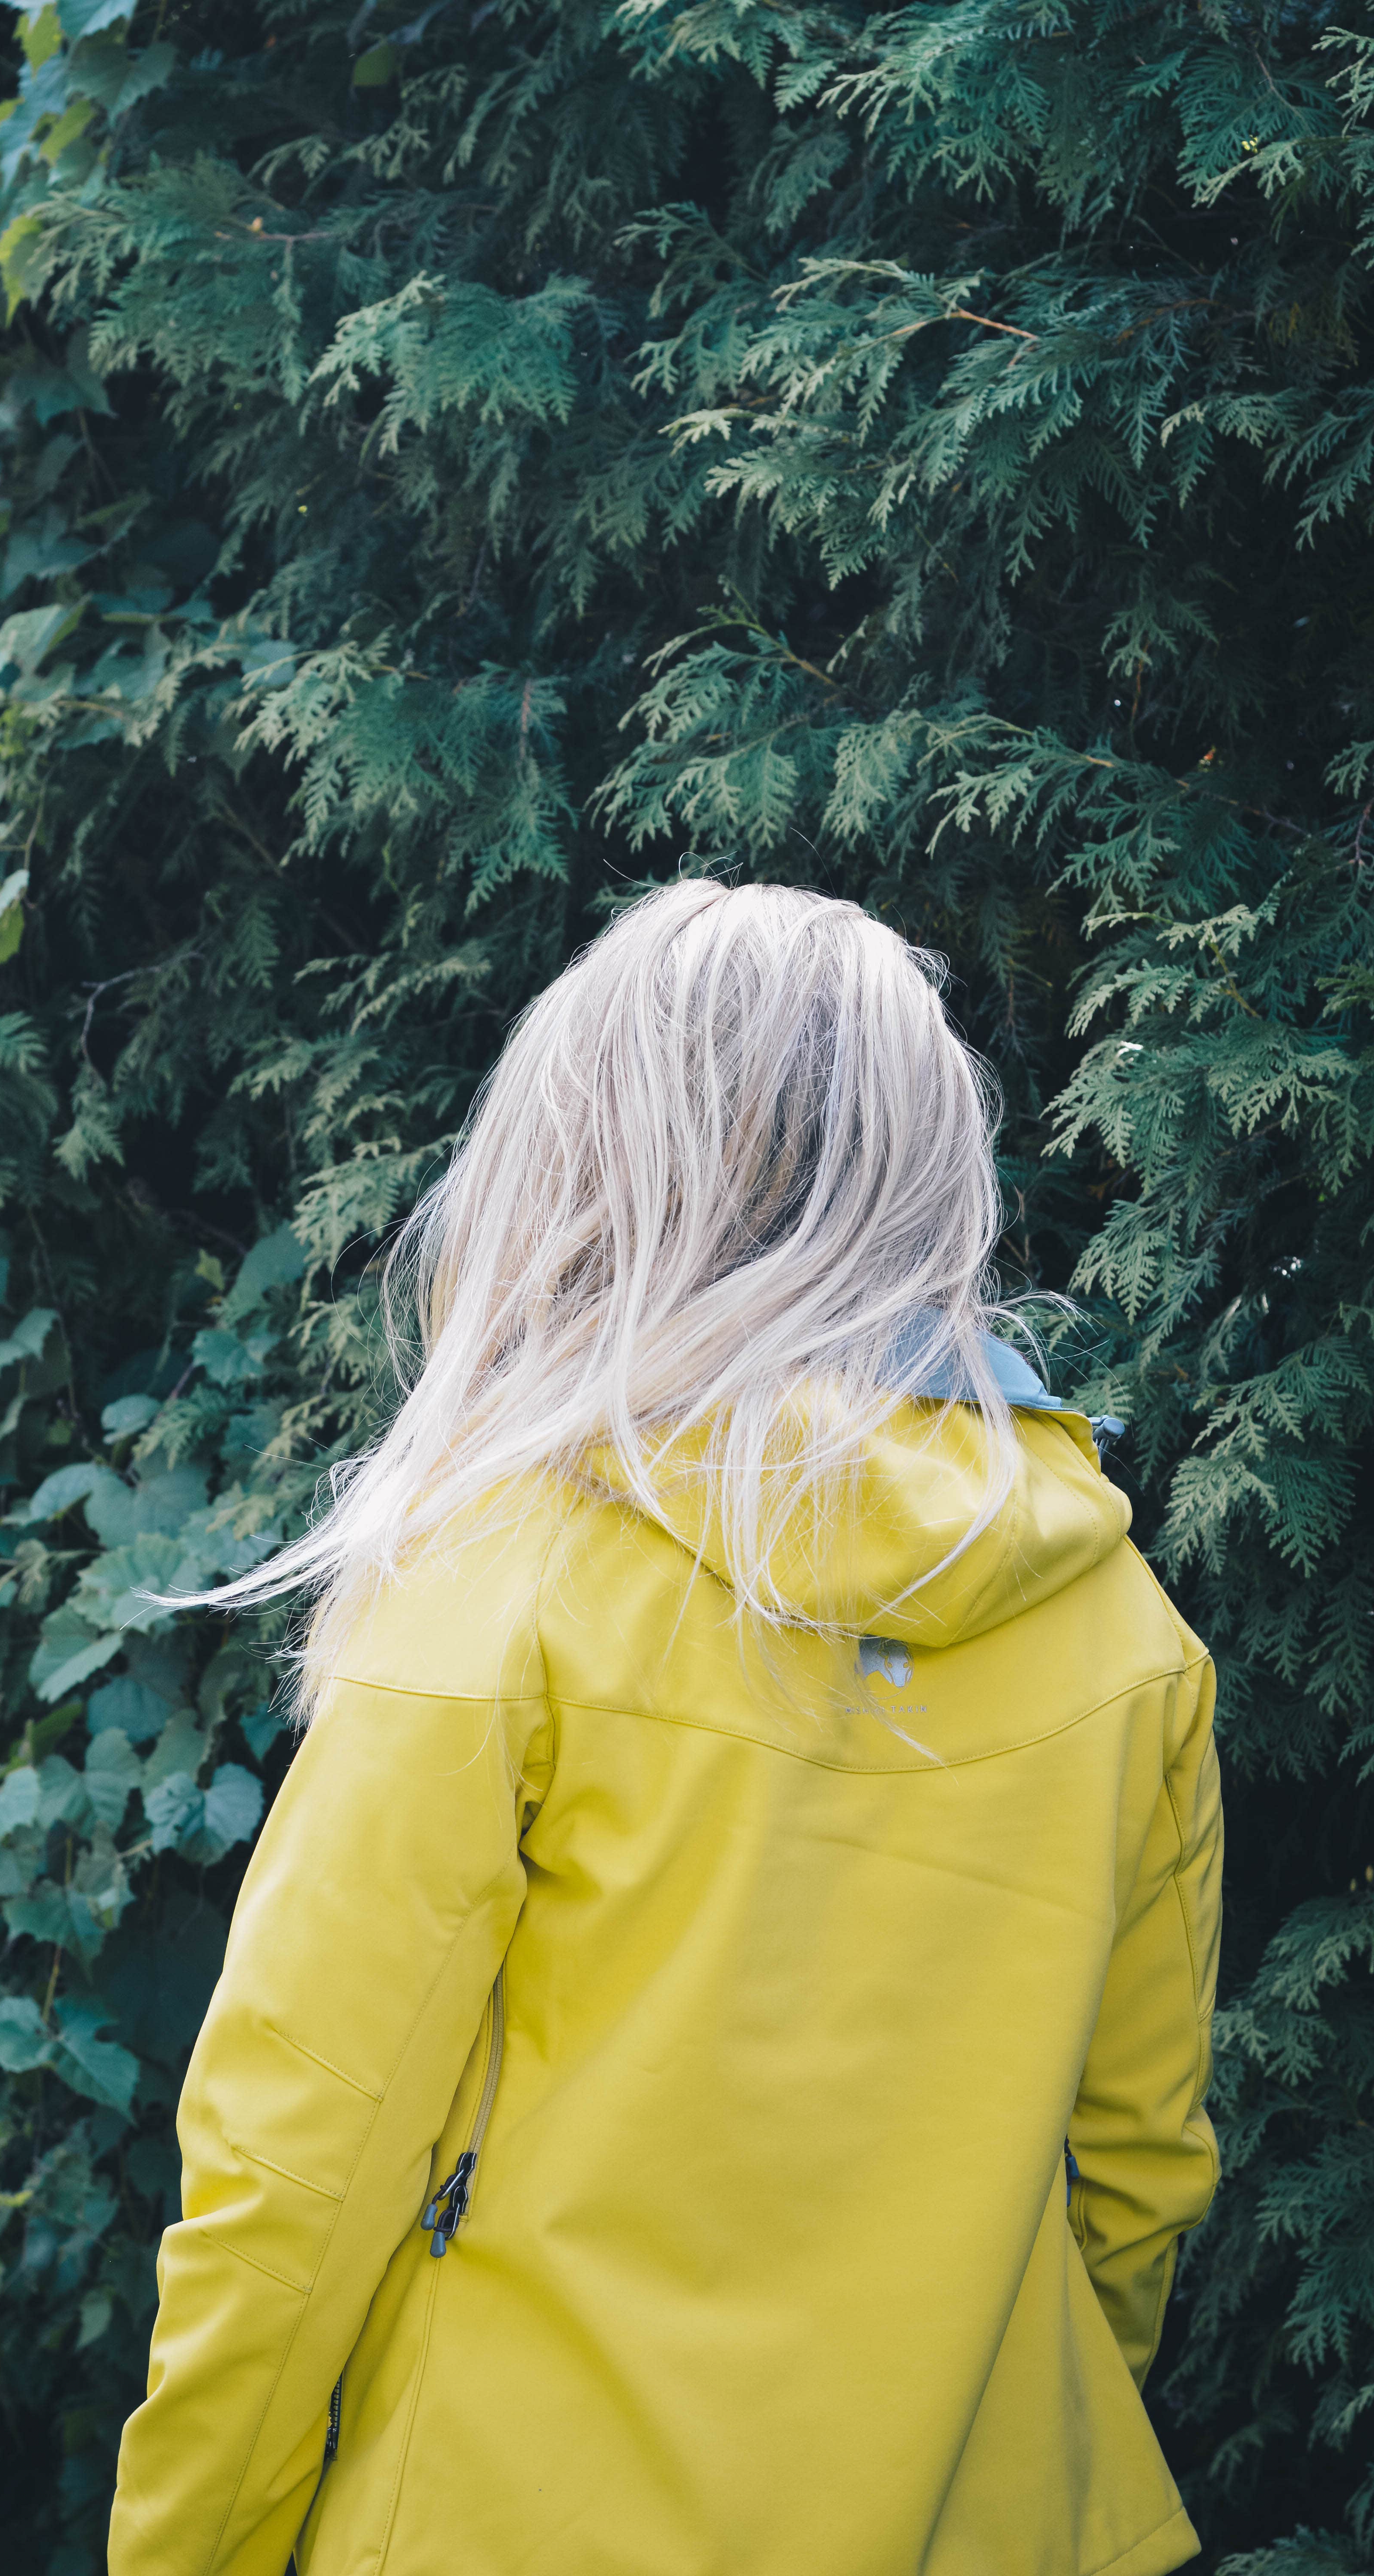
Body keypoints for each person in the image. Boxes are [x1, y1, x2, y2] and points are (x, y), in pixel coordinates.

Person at [107, 880, 1222, 2576]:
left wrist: (188, 2548)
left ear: (588, 1165)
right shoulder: (1126, 1636)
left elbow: (294, 2169)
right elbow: (1132, 2187)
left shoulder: (500, 1581)